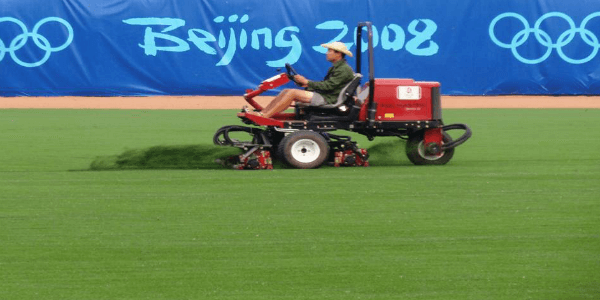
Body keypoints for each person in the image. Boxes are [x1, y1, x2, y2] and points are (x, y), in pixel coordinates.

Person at [247, 41, 354, 118]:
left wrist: (307, 82)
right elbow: (328, 85)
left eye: (329, 51)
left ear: (338, 53)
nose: (327, 53)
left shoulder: (343, 69)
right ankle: (264, 112)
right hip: (327, 95)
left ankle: (265, 115)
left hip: (329, 99)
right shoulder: (338, 67)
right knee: (286, 91)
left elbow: (328, 86)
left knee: (292, 93)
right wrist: (306, 84)